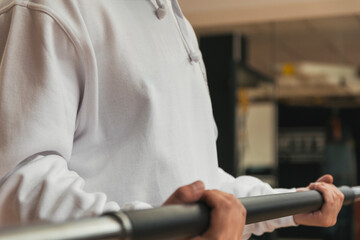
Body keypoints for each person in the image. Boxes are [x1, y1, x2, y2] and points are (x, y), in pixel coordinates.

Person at [0, 0, 344, 239]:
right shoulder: (50, 7)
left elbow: (204, 186)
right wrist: (155, 230)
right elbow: (16, 185)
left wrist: (293, 204)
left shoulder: (180, 27)